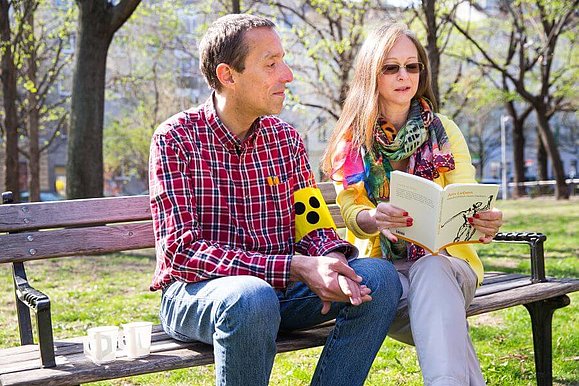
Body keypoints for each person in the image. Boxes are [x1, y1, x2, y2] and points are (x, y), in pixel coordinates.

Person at [148, 14, 402, 386]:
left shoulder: (285, 139)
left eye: (283, 61)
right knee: (252, 297)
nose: (287, 75)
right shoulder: (175, 139)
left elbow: (313, 224)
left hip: (281, 293)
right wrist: (295, 267)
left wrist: (329, 260)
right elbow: (181, 254)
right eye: (271, 64)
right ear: (227, 75)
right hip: (197, 296)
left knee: (378, 278)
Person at [321, 21, 503, 386]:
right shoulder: (352, 141)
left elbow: (464, 195)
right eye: (391, 67)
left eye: (412, 66)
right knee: (435, 311)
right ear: (372, 74)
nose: (404, 76)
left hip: (450, 267)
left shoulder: (444, 130)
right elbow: (352, 211)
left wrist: (483, 221)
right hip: (387, 276)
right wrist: (374, 218)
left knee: (432, 270)